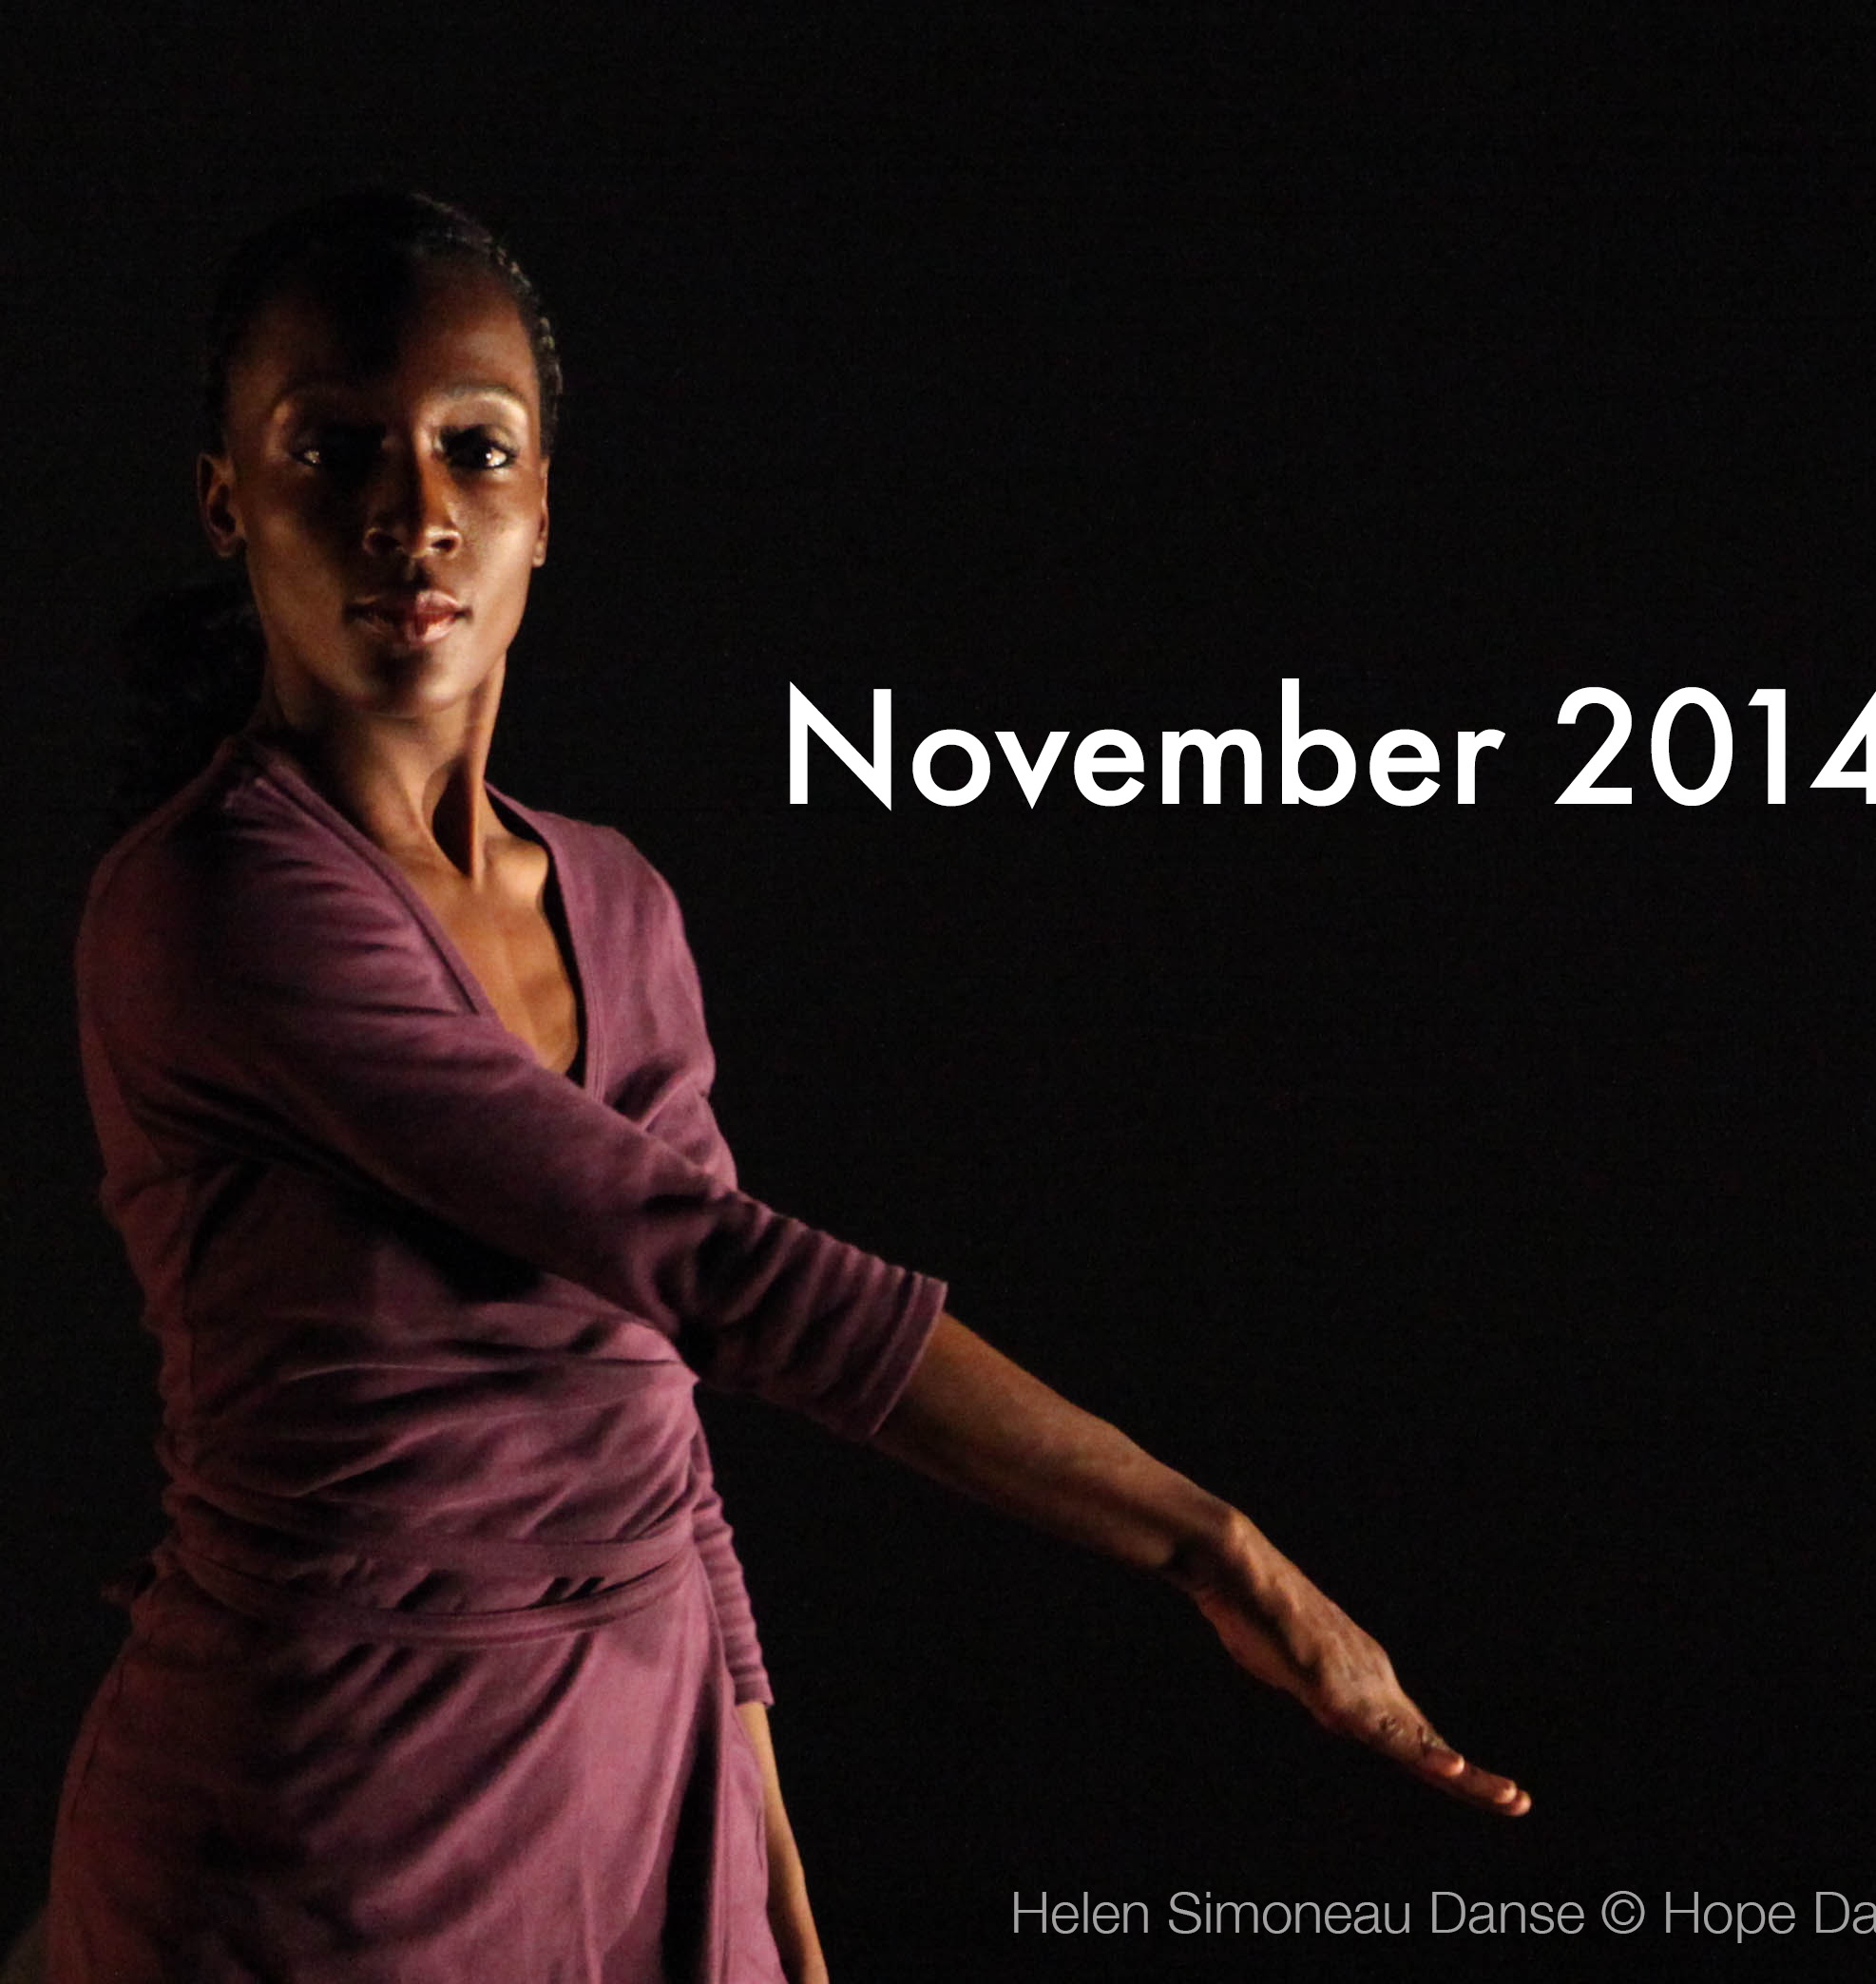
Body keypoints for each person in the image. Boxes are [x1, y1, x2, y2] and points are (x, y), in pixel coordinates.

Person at [46, 190, 1526, 1984]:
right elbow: (722, 1274)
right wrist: (1215, 1549)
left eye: (475, 451)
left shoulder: (619, 900)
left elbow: (659, 1411)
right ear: (227, 501)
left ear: (542, 511)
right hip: (326, 1827)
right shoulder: (215, 902)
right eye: (332, 448)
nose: (411, 509)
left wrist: (757, 1846)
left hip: (640, 1780)